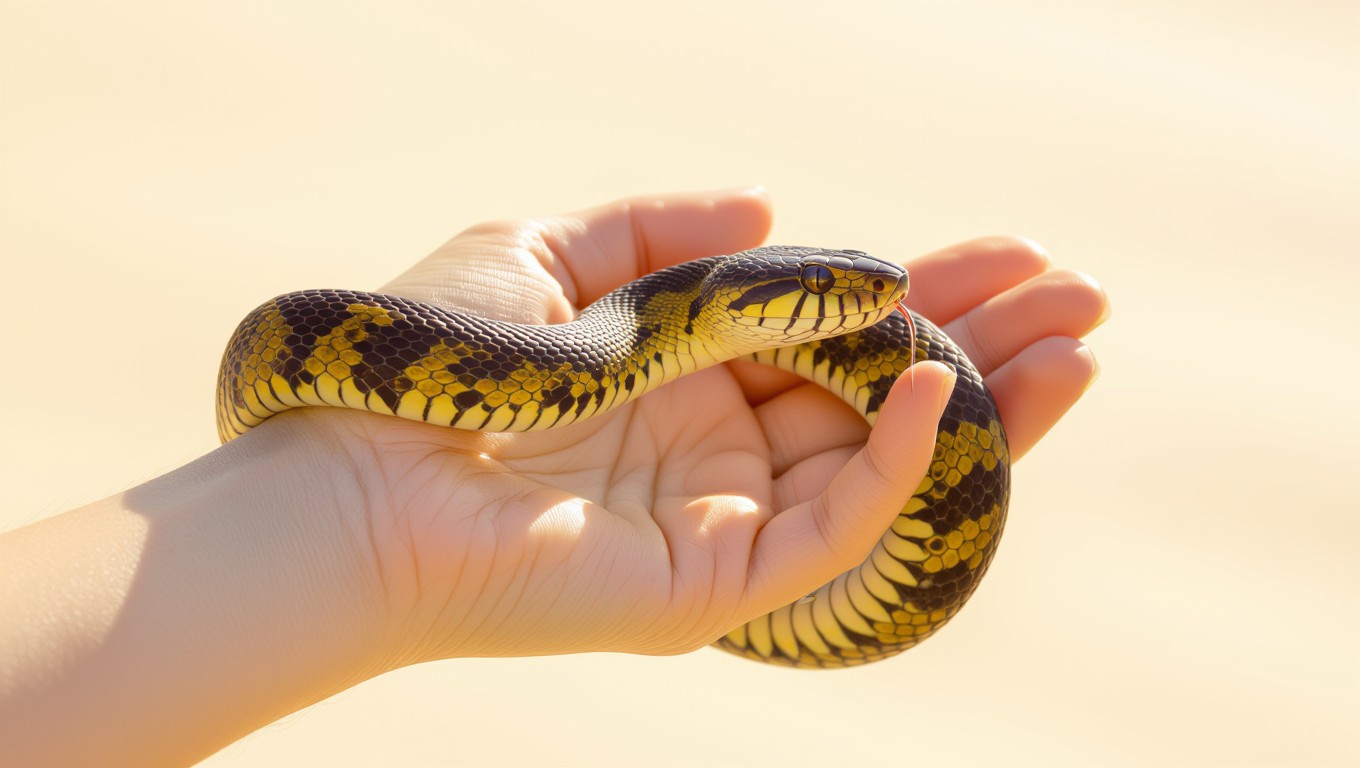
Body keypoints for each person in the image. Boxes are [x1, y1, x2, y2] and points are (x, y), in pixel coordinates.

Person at [0, 188, 1108, 766]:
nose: (870, 294)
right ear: (729, 303)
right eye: (829, 287)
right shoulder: (592, 339)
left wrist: (347, 528)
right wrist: (352, 514)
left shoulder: (668, 327)